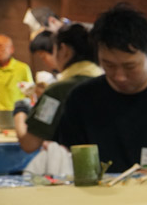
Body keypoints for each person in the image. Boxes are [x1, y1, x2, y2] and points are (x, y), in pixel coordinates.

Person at [57, 4, 147, 173]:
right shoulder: (81, 98)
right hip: (101, 190)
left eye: (130, 66)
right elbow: (69, 161)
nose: (119, 76)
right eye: (109, 65)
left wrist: (142, 178)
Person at [14, 24, 103, 154]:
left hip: (75, 165)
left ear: (64, 50)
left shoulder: (57, 91)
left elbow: (29, 143)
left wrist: (19, 112)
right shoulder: (109, 84)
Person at [0, 34, 33, 111]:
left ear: (11, 49)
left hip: (15, 113)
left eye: (1, 46)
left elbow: (31, 94)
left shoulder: (22, 68)